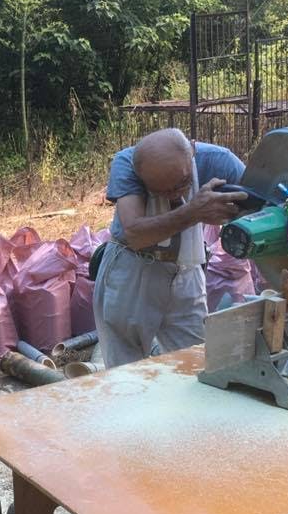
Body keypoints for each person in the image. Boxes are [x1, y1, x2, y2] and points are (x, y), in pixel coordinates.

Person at [92, 128, 248, 368]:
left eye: (182, 184)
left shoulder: (219, 161)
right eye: (161, 191)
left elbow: (263, 204)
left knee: (196, 363)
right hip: (133, 268)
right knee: (126, 370)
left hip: (187, 270)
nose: (174, 195)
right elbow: (136, 234)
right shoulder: (126, 162)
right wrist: (193, 211)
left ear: (191, 152)